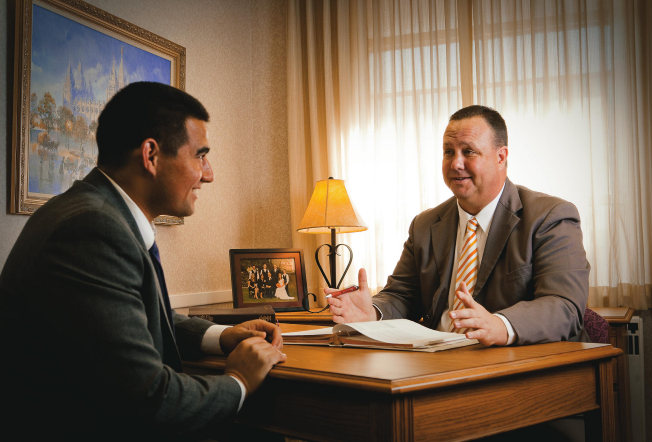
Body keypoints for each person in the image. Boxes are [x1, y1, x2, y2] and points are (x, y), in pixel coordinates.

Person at [0, 82, 286, 440]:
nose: (209, 173)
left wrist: (223, 336)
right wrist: (240, 380)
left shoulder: (93, 214)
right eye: (200, 155)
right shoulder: (93, 230)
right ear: (151, 155)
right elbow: (152, 402)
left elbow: (136, 319)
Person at [326, 105, 590, 346]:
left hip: (517, 365)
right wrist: (372, 311)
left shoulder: (551, 216)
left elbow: (564, 305)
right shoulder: (425, 224)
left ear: (501, 157)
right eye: (448, 152)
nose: (456, 163)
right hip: (436, 362)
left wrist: (500, 325)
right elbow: (404, 296)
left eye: (469, 151)